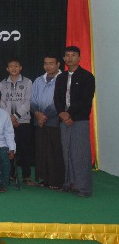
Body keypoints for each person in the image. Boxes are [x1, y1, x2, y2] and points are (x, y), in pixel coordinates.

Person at [54, 46, 95, 197]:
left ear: (79, 58)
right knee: (66, 152)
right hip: (64, 120)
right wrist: (61, 113)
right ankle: (68, 184)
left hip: (79, 120)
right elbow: (57, 98)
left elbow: (85, 100)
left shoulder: (87, 77)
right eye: (67, 55)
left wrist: (69, 114)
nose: (70, 58)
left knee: (80, 154)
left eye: (73, 55)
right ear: (64, 59)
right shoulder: (61, 77)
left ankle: (83, 188)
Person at [30, 54, 65, 190]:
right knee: (42, 150)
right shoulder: (38, 80)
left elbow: (60, 101)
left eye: (51, 63)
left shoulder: (63, 79)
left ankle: (56, 180)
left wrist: (45, 116)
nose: (48, 66)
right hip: (39, 120)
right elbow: (32, 100)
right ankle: (44, 179)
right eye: (46, 63)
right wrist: (38, 114)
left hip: (55, 120)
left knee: (54, 150)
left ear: (58, 64)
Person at [0, 58, 34, 185]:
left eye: (16, 66)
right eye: (11, 66)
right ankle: (10, 174)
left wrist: (16, 116)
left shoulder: (28, 82)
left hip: (24, 121)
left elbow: (29, 101)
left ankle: (26, 176)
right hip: (7, 122)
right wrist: (10, 118)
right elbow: (0, 102)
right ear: (7, 69)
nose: (14, 68)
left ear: (21, 68)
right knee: (9, 148)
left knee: (25, 149)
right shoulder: (2, 83)